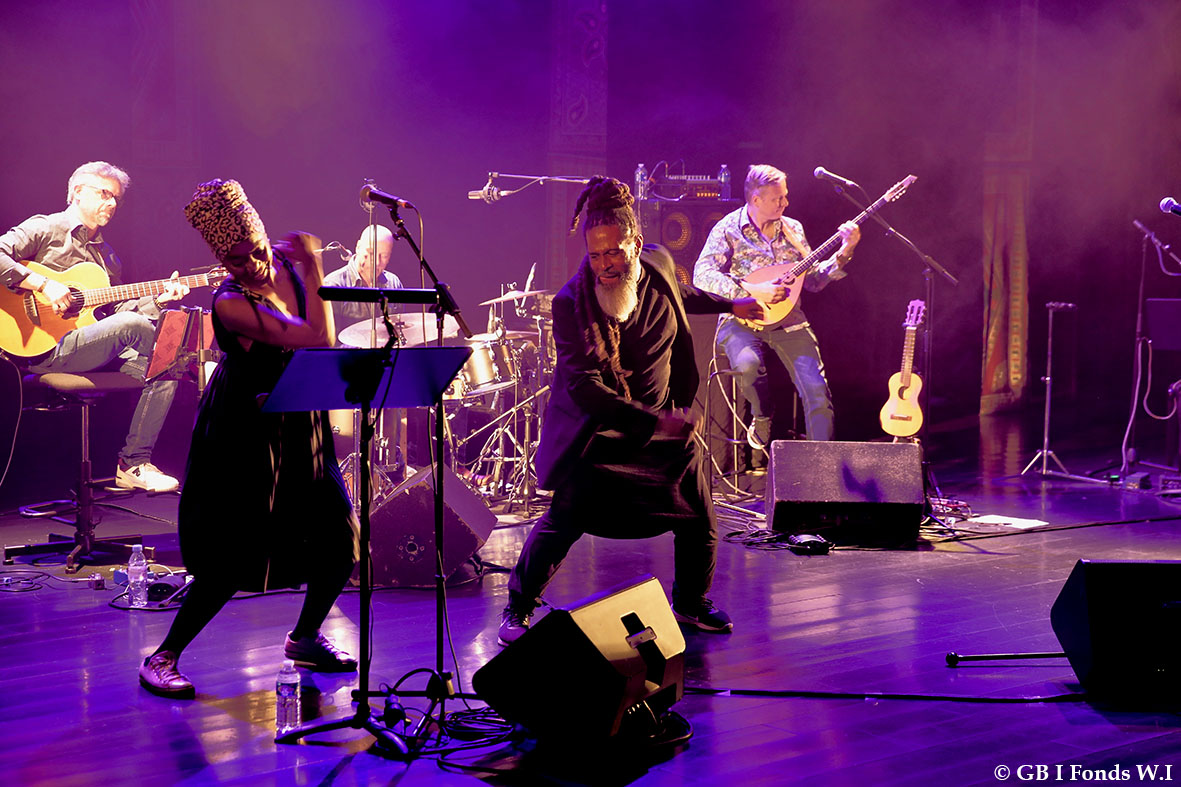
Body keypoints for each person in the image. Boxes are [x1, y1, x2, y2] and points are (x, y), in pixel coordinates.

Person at [497, 176, 766, 646]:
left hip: (665, 431)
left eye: (614, 253)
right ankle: (518, 608)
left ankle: (690, 602)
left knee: (700, 520)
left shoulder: (659, 263)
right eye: (594, 255)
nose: (604, 265)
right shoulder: (571, 304)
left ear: (636, 245)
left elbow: (683, 295)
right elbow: (586, 388)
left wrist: (733, 304)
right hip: (602, 436)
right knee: (563, 522)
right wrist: (655, 421)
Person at [138, 179, 359, 698]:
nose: (254, 265)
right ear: (222, 260)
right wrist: (313, 266)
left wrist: (302, 268)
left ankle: (305, 637)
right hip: (244, 430)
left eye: (257, 251)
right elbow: (316, 337)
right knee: (230, 556)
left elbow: (316, 340)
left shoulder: (284, 269)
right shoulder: (230, 302)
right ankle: (162, 656)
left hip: (300, 419)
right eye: (237, 260)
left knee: (340, 537)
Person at [0, 161, 189, 492]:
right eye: (104, 194)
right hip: (41, 347)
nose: (112, 203)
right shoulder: (46, 228)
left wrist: (159, 301)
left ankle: (133, 463)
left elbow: (116, 313)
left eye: (116, 198)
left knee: (167, 361)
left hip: (88, 347)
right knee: (138, 329)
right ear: (77, 192)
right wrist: (44, 284)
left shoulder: (107, 257)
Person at [693, 164, 861, 449]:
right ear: (756, 199)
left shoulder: (793, 229)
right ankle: (762, 414)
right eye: (777, 198)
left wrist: (845, 252)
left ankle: (822, 464)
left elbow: (813, 281)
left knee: (817, 390)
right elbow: (702, 275)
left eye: (785, 195)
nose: (785, 202)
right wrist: (750, 290)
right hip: (742, 318)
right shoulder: (728, 228)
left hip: (788, 320)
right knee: (748, 366)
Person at [321, 223, 405, 345]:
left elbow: (399, 331)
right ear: (358, 247)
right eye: (371, 253)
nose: (377, 262)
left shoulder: (394, 283)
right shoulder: (333, 284)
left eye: (384, 256)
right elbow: (328, 343)